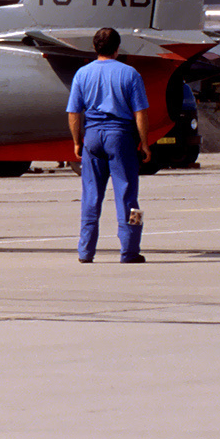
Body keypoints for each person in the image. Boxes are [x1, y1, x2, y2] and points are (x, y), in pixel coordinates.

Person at [66, 27, 151, 263]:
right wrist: (144, 143)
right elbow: (140, 113)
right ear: (117, 48)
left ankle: (85, 251)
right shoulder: (130, 73)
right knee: (128, 198)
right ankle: (130, 250)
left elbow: (74, 112)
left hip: (92, 136)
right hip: (121, 137)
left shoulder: (82, 74)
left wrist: (76, 141)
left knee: (91, 197)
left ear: (94, 48)